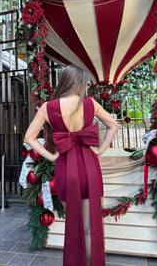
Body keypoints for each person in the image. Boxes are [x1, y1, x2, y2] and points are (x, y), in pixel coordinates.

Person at [24, 65, 119, 266]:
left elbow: (29, 138)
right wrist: (101, 149)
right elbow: (114, 125)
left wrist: (50, 156)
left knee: (73, 224)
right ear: (80, 83)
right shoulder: (91, 104)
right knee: (90, 226)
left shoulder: (47, 108)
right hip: (89, 168)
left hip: (66, 168)